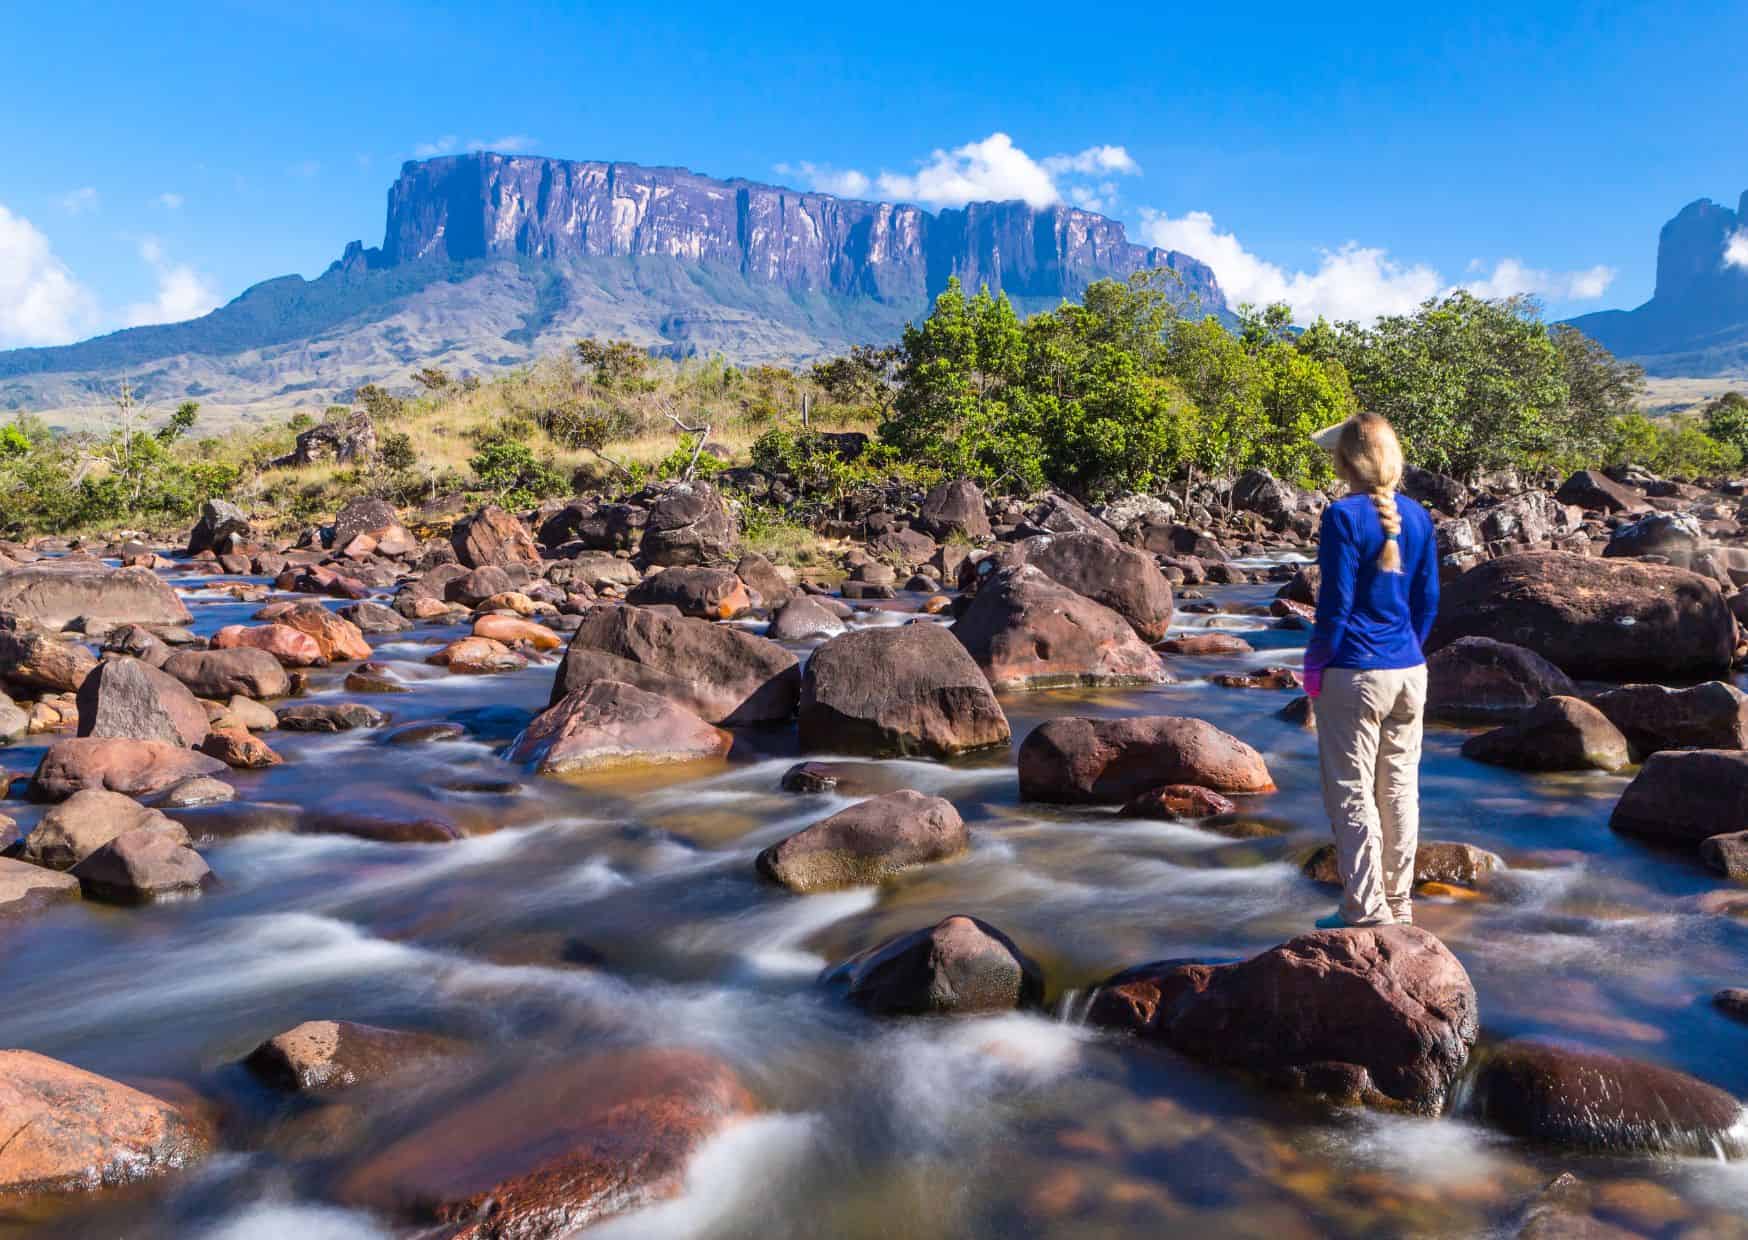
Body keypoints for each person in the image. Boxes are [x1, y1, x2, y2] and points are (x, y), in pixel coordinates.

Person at [1302, 412, 1438, 928]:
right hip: (1410, 671)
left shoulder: (1341, 516)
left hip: (1353, 672)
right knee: (1400, 790)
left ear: (1345, 461)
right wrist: (1404, 650)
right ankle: (1399, 904)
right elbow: (1427, 603)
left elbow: (1333, 607)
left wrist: (1315, 666)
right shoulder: (1418, 517)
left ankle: (1364, 908)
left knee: (1352, 791)